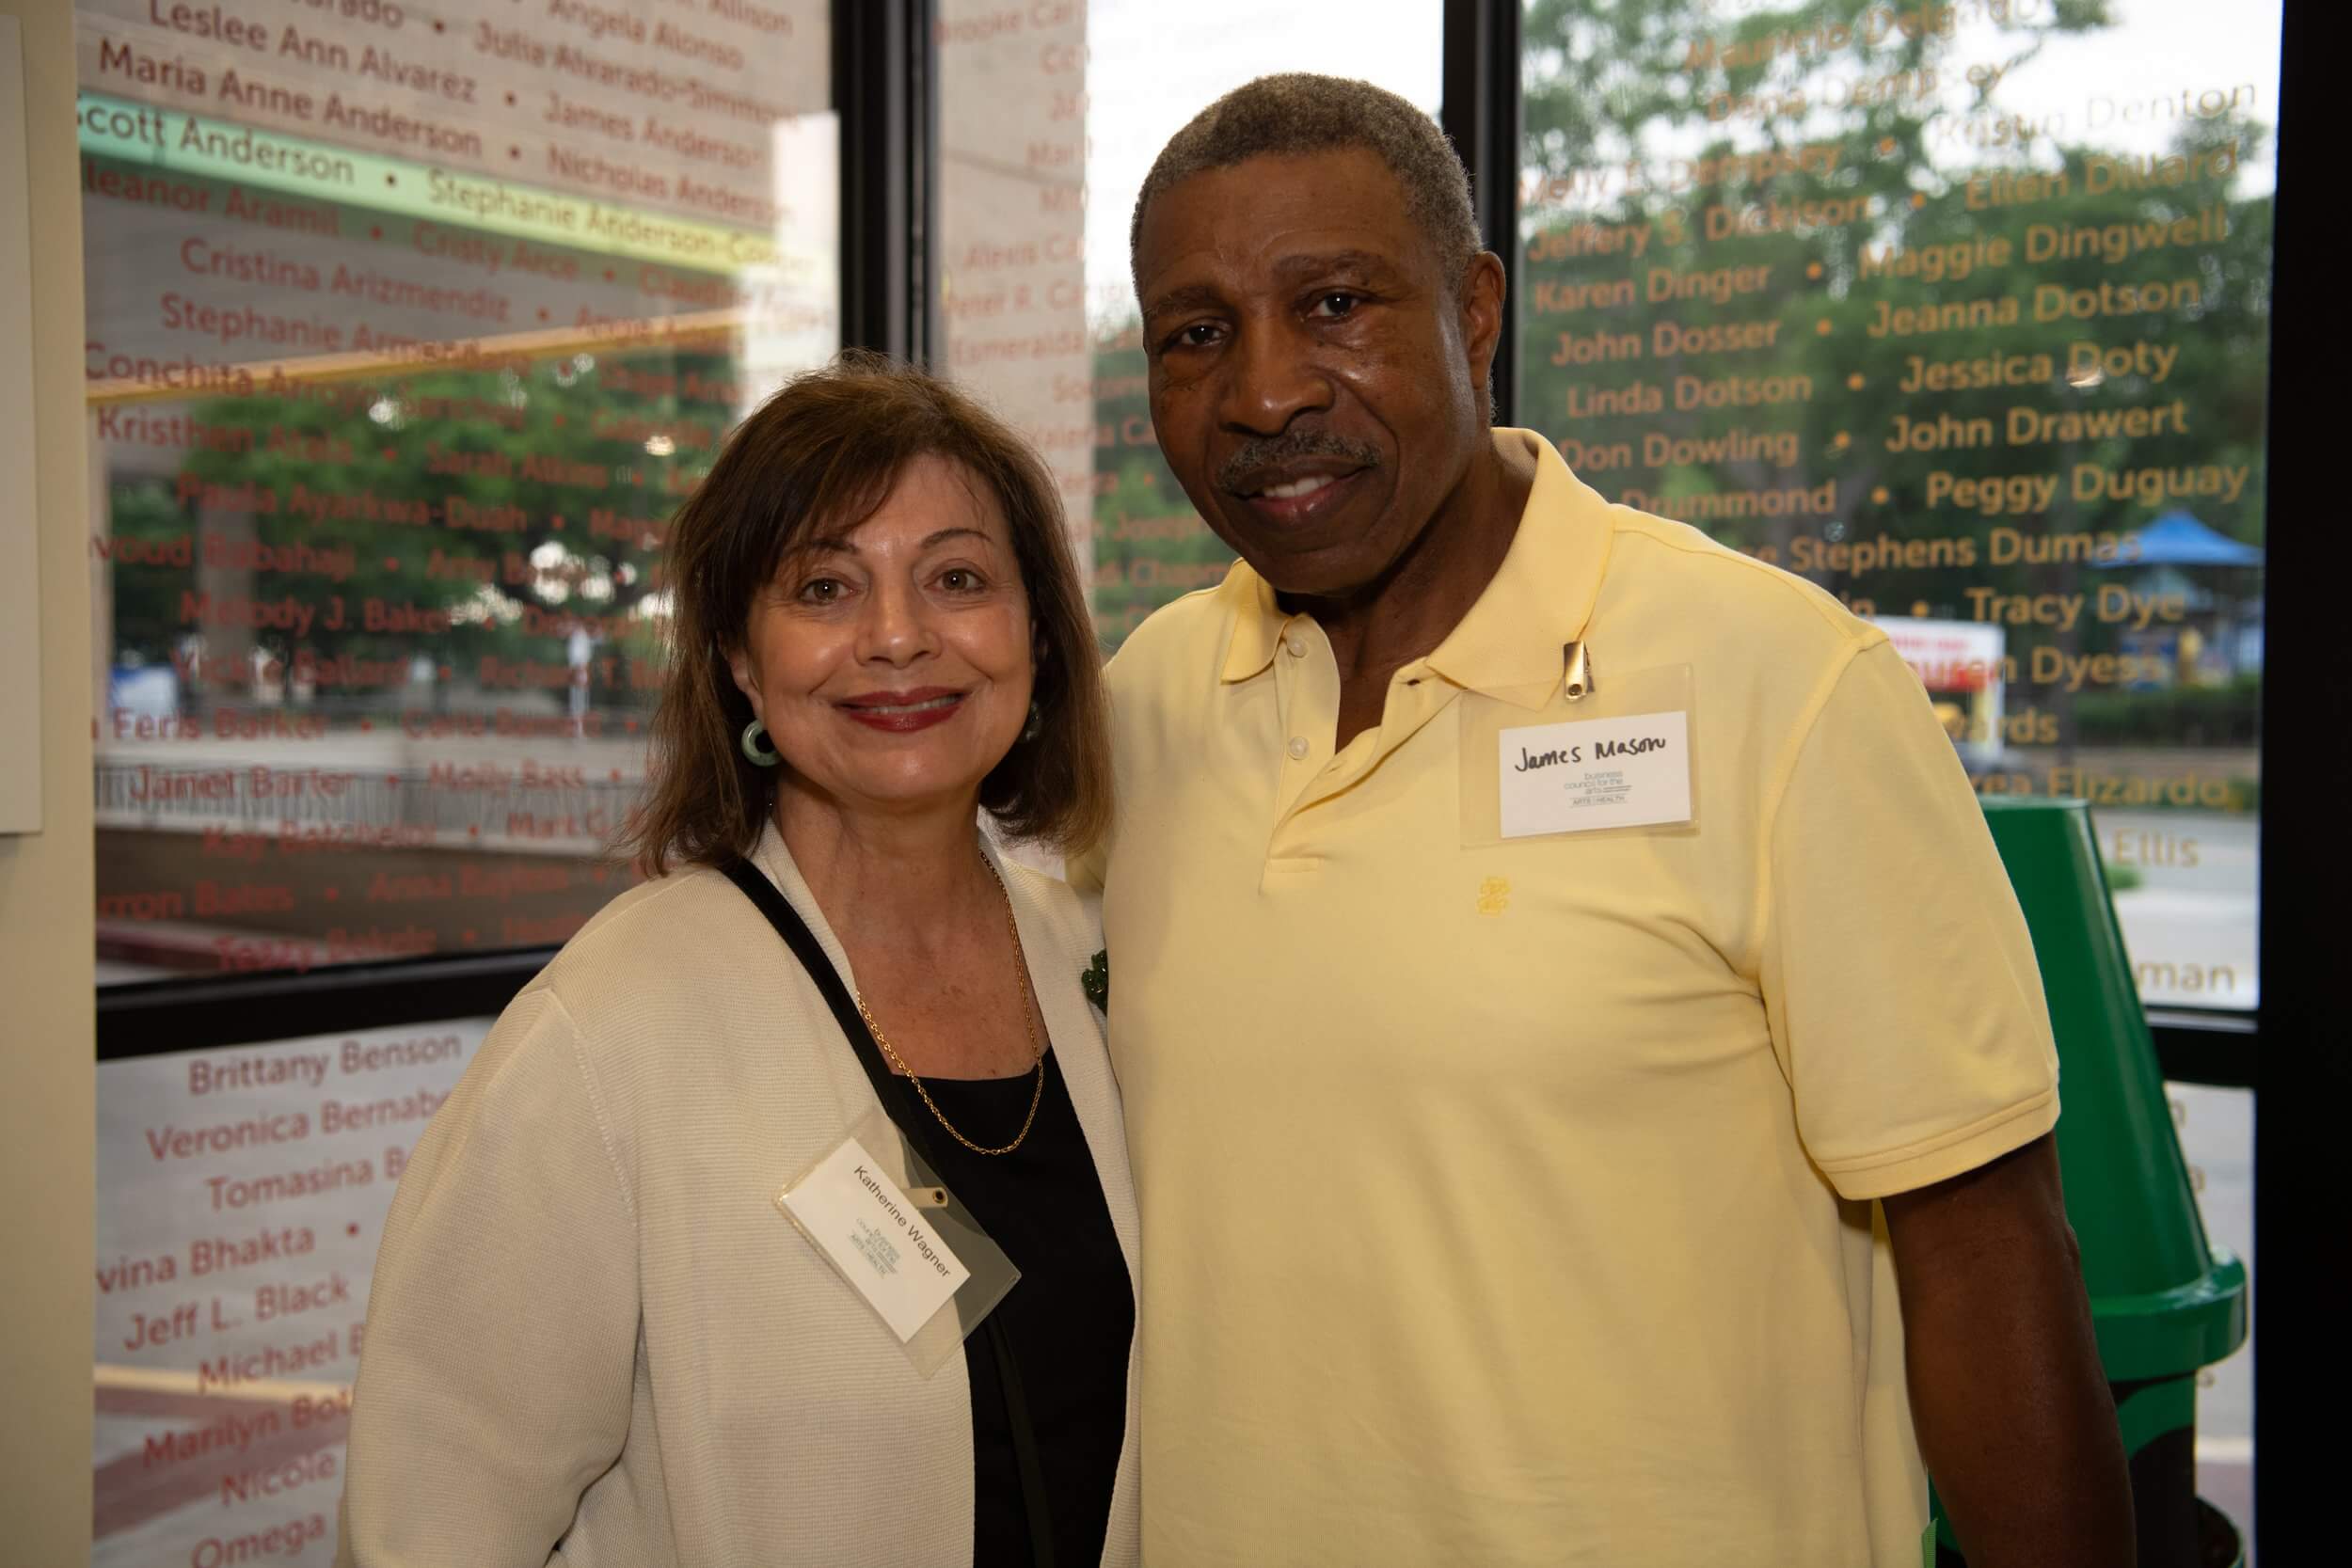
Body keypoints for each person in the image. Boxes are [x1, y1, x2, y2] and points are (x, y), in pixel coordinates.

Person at [1083, 73, 2133, 1566]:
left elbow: (1987, 1259)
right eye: (1197, 335)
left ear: (1478, 312)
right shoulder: (1157, 701)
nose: (1264, 390)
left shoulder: (1783, 684)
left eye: (1333, 304)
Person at [337, 356, 1138, 1567]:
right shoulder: (612, 1028)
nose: (899, 637)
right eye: (825, 586)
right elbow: (433, 1522)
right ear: (741, 660)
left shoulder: (1098, 959)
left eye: (958, 579)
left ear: (1036, 638)